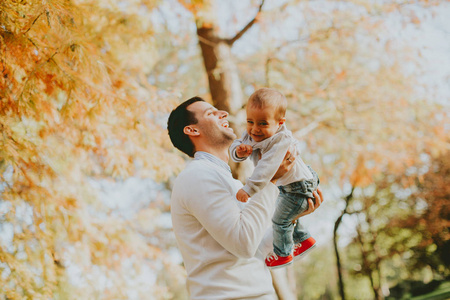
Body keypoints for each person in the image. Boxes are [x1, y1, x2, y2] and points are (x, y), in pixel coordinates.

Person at [167, 96, 323, 300]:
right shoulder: (196, 175)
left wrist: (291, 215)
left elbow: (256, 248)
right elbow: (244, 244)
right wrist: (270, 180)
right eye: (210, 113)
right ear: (193, 130)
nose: (222, 113)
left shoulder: (231, 183)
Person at [230, 88, 320, 269]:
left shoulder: (280, 140)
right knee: (285, 215)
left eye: (263, 123)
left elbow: (267, 168)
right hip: (289, 186)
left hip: (299, 186)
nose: (254, 129)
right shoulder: (252, 134)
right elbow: (237, 144)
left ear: (280, 123)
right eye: (250, 121)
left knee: (280, 220)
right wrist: (238, 152)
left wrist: (249, 189)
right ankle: (304, 239)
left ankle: (283, 254)